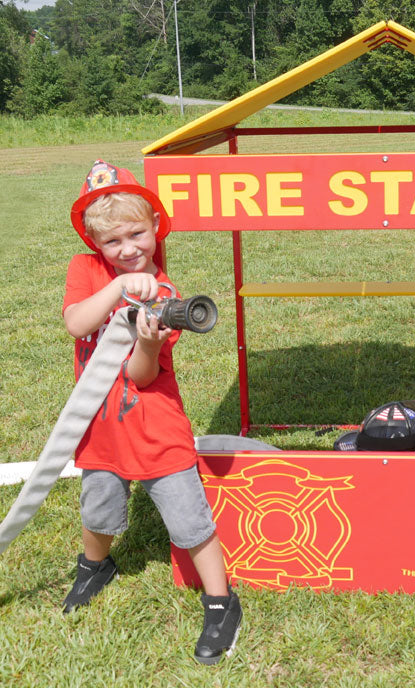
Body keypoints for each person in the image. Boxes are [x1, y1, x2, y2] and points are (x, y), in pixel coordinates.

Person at [61, 160, 241, 665]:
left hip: (155, 424)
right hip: (99, 424)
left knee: (188, 518)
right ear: (96, 244)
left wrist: (146, 340)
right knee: (98, 506)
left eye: (137, 235)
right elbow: (78, 324)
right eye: (113, 242)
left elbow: (142, 376)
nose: (127, 250)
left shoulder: (166, 294)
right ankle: (94, 567)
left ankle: (221, 600)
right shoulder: (89, 271)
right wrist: (119, 289)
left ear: (156, 228)